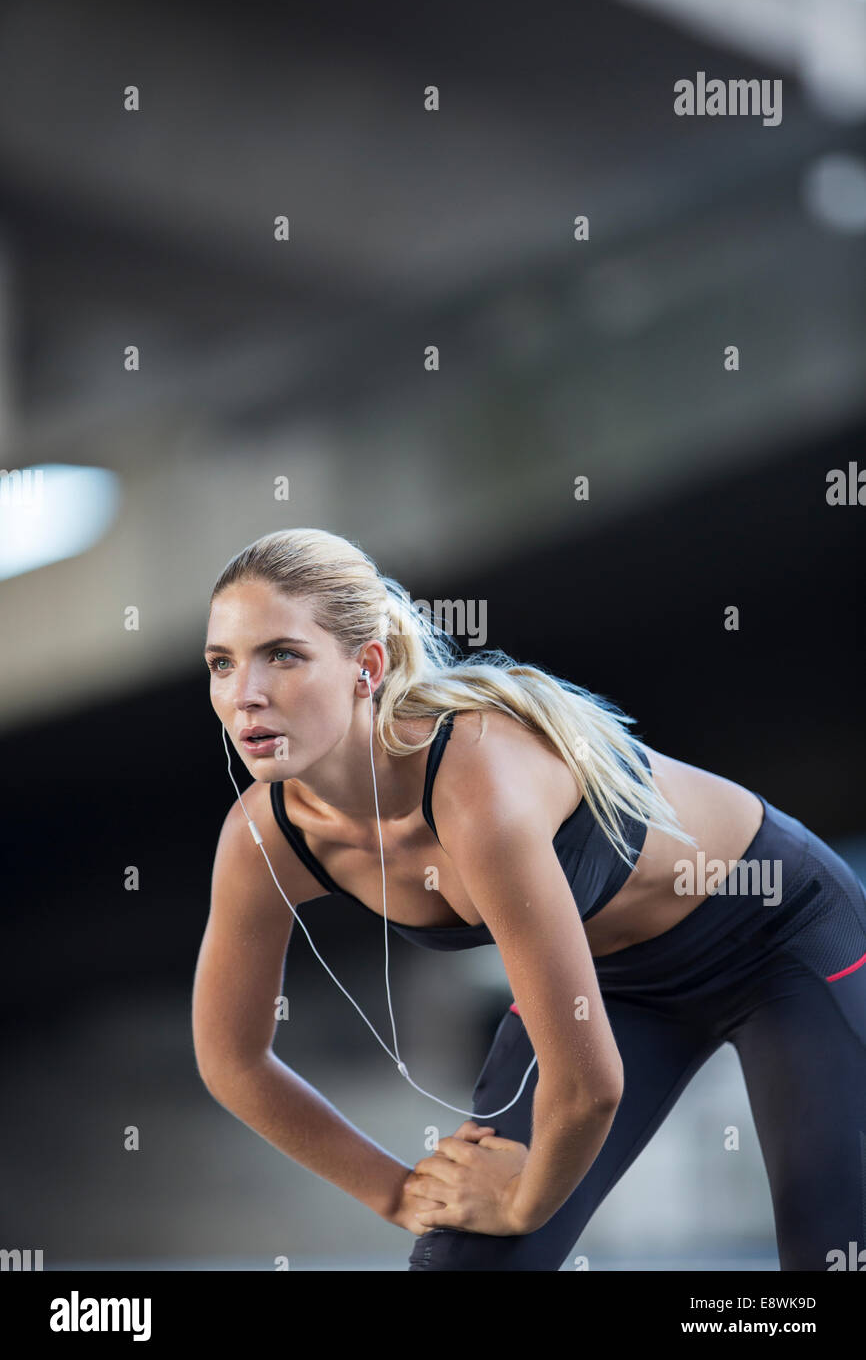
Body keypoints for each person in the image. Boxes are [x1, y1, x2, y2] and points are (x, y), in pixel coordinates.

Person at [192, 527, 866, 1271]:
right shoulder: (263, 839)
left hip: (782, 939)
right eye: (222, 663)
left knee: (830, 1257)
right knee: (463, 1267)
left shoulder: (476, 784)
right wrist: (395, 1191)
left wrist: (522, 1201)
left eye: (282, 655)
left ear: (367, 666)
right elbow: (233, 1059)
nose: (243, 694)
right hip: (604, 986)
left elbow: (588, 1088)